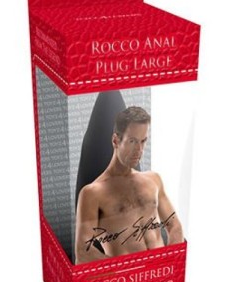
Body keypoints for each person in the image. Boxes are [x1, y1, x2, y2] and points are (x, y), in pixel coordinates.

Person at [75, 106, 184, 264]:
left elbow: (175, 226)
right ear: (115, 140)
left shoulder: (153, 180)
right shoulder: (92, 193)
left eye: (143, 141)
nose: (139, 150)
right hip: (126, 275)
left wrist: (169, 262)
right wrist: (128, 270)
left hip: (160, 271)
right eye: (132, 141)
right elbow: (83, 252)